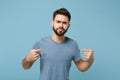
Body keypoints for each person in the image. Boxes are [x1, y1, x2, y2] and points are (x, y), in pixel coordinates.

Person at [22, 8, 94, 80]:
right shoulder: (41, 43)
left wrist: (91, 59)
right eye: (58, 22)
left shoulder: (73, 45)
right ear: (52, 23)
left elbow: (82, 67)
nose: (61, 25)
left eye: (64, 23)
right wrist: (28, 59)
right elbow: (26, 67)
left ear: (68, 26)